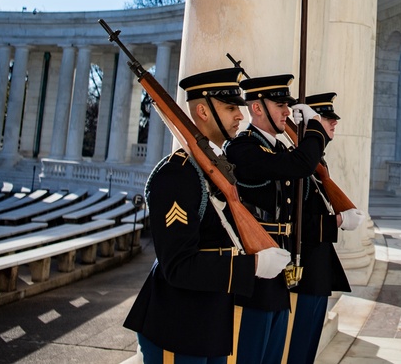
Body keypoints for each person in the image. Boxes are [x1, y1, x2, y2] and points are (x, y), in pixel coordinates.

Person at [124, 67, 291, 364]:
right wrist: (251, 265)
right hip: (176, 328)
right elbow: (178, 266)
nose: (240, 115)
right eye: (230, 108)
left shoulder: (216, 169)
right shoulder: (178, 173)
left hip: (209, 326)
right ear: (202, 110)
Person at [224, 74, 327, 364]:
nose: (287, 112)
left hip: (279, 260)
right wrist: (315, 126)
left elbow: (309, 173)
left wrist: (312, 137)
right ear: (257, 108)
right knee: (251, 352)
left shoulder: (279, 149)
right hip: (257, 263)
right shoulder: (243, 148)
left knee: (272, 353)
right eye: (280, 105)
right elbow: (302, 164)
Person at [286, 92, 365, 364]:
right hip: (303, 271)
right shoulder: (297, 162)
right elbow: (292, 221)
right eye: (326, 118)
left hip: (316, 270)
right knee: (295, 349)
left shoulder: (318, 161)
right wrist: (339, 221)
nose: (333, 123)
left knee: (306, 348)